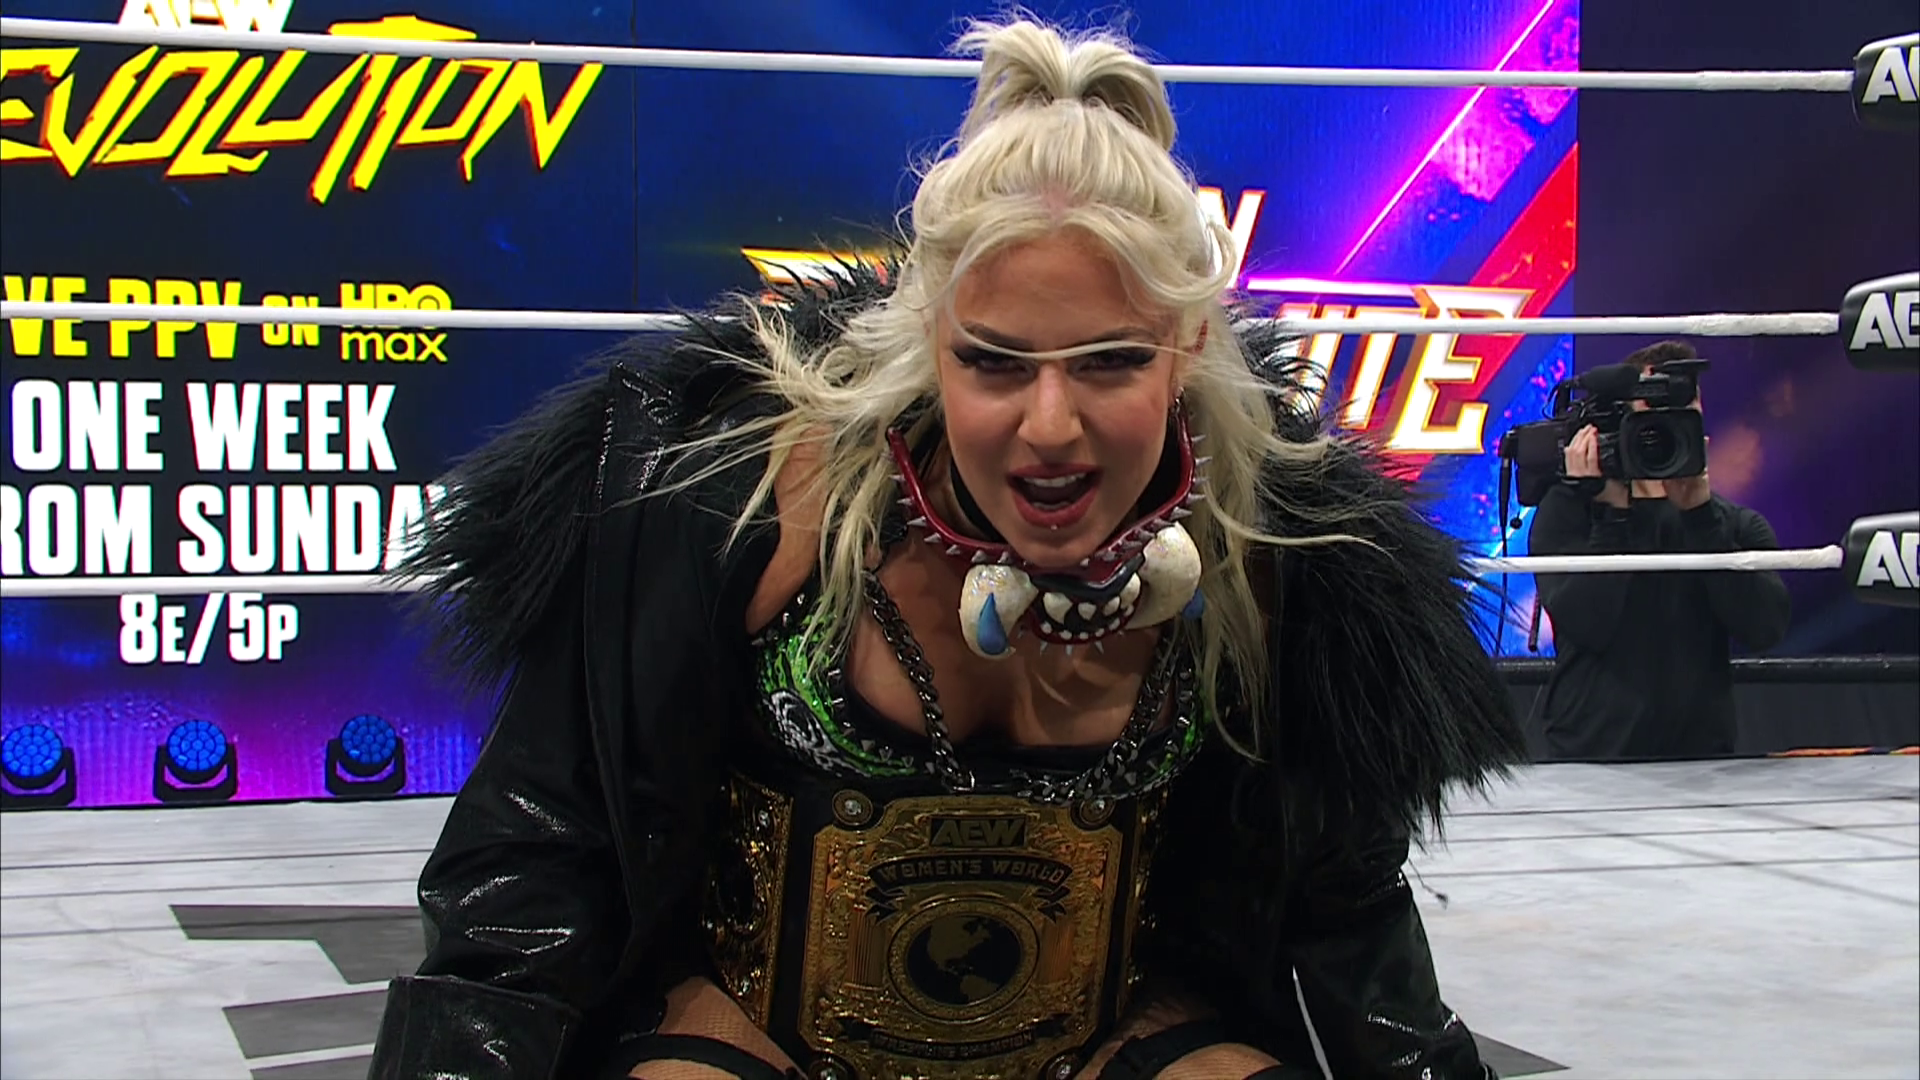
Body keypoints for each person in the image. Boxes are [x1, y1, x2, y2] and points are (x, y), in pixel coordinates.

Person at [367, 19, 1525, 1080]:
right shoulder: (756, 494)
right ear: (931, 339)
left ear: (1186, 345)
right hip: (753, 1041)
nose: (1051, 427)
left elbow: (1345, 907)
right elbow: (536, 854)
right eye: (995, 362)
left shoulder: (1269, 549)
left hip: (1110, 1043)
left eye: (1111, 361)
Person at [1527, 340, 1791, 762]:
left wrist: (1701, 518)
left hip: (1702, 765)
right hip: (1589, 763)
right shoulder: (1569, 512)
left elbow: (1766, 628)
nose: (1666, 421)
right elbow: (1586, 625)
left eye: (1681, 408)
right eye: (1653, 409)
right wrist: (1612, 517)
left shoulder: (1732, 524)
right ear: (1622, 419)